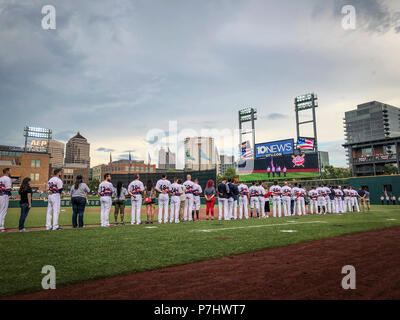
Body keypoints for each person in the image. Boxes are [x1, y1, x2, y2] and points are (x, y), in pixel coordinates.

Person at [0, 168, 12, 232]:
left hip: (0, 195)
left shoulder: (0, 178)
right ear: (7, 172)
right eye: (10, 171)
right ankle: (1, 227)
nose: (10, 172)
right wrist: (11, 189)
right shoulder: (7, 178)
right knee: (3, 211)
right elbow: (8, 189)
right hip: (4, 196)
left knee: (0, 211)